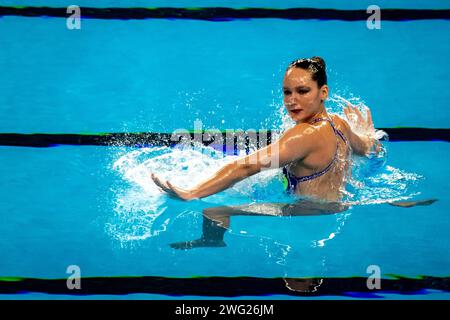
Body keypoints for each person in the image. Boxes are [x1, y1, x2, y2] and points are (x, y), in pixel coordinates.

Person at [151, 56, 436, 249]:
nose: (292, 101)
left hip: (308, 210)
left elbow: (246, 167)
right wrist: (368, 135)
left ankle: (212, 242)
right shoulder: (339, 123)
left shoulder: (303, 135)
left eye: (302, 91)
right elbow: (370, 150)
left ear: (323, 92)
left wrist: (193, 192)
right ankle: (391, 202)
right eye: (287, 92)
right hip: (342, 201)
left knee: (215, 210)